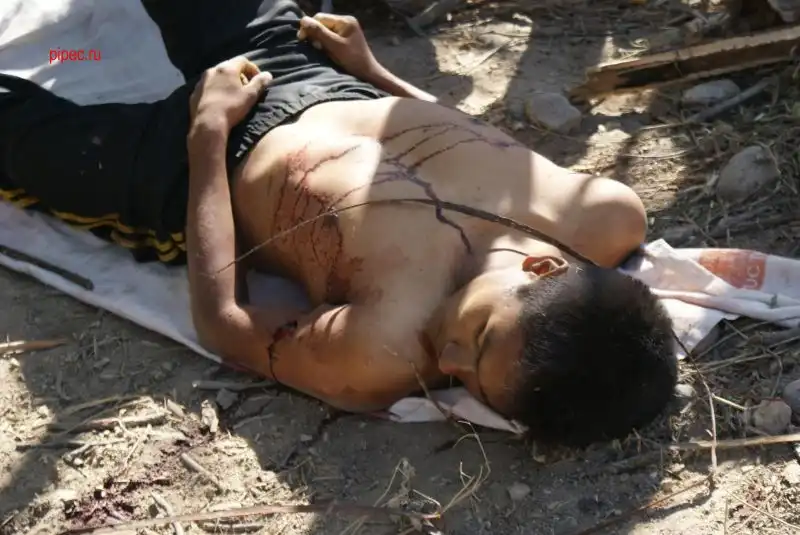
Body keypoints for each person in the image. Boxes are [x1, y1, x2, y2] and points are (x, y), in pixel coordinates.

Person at [0, 0, 677, 447]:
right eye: (479, 340)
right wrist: (373, 72)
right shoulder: (604, 215)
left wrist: (206, 134)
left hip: (192, 171)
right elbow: (486, 147)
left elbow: (224, 322)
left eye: (472, 382)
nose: (447, 363)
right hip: (306, 70)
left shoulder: (378, 353)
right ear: (543, 266)